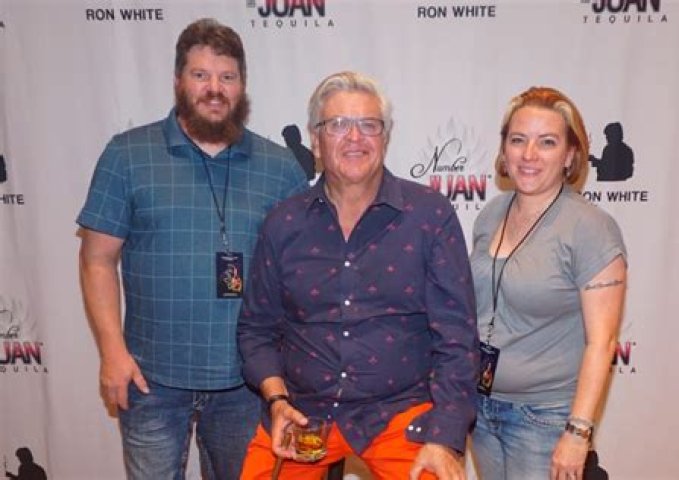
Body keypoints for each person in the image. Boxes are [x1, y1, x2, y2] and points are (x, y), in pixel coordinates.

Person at [77, 18, 307, 479]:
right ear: (178, 81)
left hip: (247, 384)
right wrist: (112, 354)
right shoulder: (127, 155)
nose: (214, 88)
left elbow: (302, 273)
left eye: (227, 77)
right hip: (151, 379)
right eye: (201, 75)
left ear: (242, 85)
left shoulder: (281, 168)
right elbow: (97, 261)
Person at [237, 71, 478, 480]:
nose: (354, 137)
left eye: (369, 125)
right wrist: (277, 402)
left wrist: (444, 436)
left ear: (385, 137)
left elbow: (457, 337)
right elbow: (256, 329)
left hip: (400, 412)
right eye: (338, 125)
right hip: (302, 411)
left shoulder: (429, 215)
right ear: (316, 141)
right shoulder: (283, 223)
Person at [469, 86, 627, 480]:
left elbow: (603, 342)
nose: (529, 154)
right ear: (504, 148)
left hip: (545, 418)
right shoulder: (490, 215)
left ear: (571, 155)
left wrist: (578, 432)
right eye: (518, 139)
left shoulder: (590, 228)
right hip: (482, 409)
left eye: (547, 142)